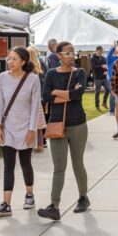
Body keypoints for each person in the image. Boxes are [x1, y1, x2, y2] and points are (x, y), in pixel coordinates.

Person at [38, 41, 90, 220]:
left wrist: (56, 93)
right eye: (67, 53)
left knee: (77, 163)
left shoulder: (80, 73)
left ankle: (83, 197)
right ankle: (54, 205)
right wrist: (65, 94)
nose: (71, 56)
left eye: (73, 53)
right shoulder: (51, 74)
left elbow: (78, 95)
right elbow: (45, 96)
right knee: (59, 167)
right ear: (59, 55)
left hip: (77, 124)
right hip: (56, 124)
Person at [0, 47, 41, 217]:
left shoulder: (33, 79)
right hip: (7, 128)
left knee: (26, 163)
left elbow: (35, 107)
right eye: (9, 58)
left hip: (26, 127)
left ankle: (29, 195)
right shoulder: (2, 78)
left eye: (14, 59)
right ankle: (6, 204)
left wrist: (32, 130)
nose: (10, 62)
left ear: (23, 61)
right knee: (8, 165)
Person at [26, 46, 47, 152]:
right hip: (39, 98)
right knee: (38, 123)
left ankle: (33, 144)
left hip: (31, 99)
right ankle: (40, 144)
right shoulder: (38, 67)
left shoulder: (29, 70)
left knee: (31, 122)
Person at [90, 46, 110, 111]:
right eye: (100, 50)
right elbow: (94, 67)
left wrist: (106, 71)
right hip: (97, 78)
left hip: (104, 77)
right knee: (97, 92)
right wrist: (101, 66)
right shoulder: (93, 58)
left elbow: (106, 66)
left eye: (101, 50)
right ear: (97, 50)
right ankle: (97, 106)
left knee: (108, 89)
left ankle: (104, 103)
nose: (101, 51)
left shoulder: (103, 57)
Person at [106, 43, 118, 115]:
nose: (116, 50)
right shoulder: (109, 58)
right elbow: (109, 55)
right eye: (114, 49)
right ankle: (111, 110)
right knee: (112, 95)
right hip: (112, 79)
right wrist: (113, 47)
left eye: (116, 49)